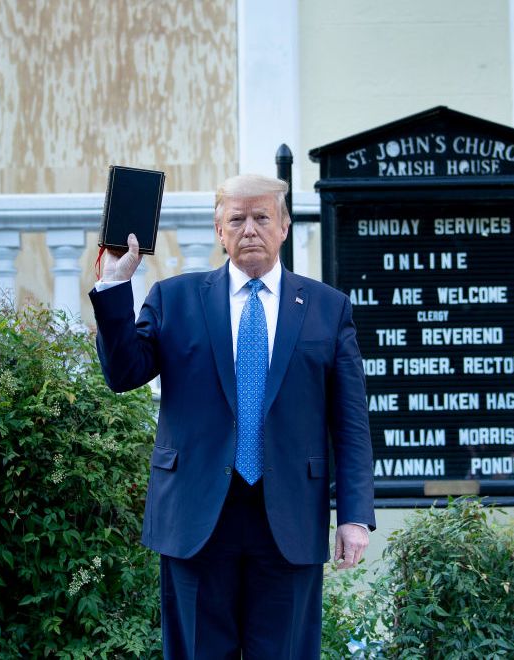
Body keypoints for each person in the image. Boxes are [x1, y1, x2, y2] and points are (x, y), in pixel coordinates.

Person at [89, 173, 376, 659]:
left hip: (288, 517)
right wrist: (116, 286)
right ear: (219, 231)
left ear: (284, 226)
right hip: (197, 516)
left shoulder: (329, 309)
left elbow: (350, 425)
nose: (250, 229)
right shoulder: (174, 299)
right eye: (236, 218)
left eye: (262, 217)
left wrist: (353, 516)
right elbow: (123, 374)